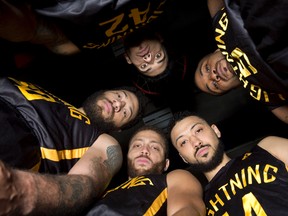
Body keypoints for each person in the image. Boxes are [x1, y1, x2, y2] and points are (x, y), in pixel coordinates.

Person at [0, 76, 150, 171]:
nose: (118, 104)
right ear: (106, 91)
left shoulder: (100, 144)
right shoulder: (52, 98)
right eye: (119, 95)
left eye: (125, 112)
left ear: (119, 128)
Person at [169, 110, 288, 215]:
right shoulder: (201, 208)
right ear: (183, 158)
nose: (195, 142)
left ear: (215, 131)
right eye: (183, 142)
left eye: (198, 130)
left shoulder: (267, 149)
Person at [194, 0, 288, 124]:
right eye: (215, 86)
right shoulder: (260, 92)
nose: (214, 76)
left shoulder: (221, 29)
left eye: (206, 68)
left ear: (216, 50)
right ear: (234, 88)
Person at [84, 125, 206, 216]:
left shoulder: (174, 178)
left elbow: (187, 209)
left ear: (166, 164)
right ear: (127, 157)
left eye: (155, 147)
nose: (145, 150)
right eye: (137, 145)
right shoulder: (102, 191)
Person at [0, 0, 168, 56]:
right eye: (159, 56)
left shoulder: (86, 43)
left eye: (145, 67)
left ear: (128, 59)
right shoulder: (159, 8)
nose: (148, 58)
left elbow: (32, 30)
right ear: (161, 39)